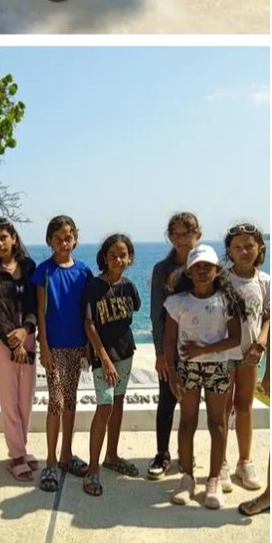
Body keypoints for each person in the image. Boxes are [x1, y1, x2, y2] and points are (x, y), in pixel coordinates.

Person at [163, 243, 243, 509]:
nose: (201, 270)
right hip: (187, 369)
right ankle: (186, 478)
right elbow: (170, 339)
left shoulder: (226, 301)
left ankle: (213, 479)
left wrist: (203, 350)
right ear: (188, 271)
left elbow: (235, 338)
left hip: (217, 368)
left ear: (217, 270)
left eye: (207, 266)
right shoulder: (178, 303)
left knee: (217, 423)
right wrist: (172, 373)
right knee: (187, 422)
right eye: (196, 266)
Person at [0, 216, 38, 481]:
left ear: (13, 237)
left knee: (26, 399)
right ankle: (16, 455)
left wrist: (26, 331)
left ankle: (20, 447)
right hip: (1, 344)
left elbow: (35, 304)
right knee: (9, 401)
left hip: (28, 339)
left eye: (3, 237)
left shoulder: (28, 266)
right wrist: (13, 340)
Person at [33, 213, 92, 491]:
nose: (63, 242)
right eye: (58, 238)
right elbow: (41, 313)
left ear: (75, 239)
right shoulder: (44, 271)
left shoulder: (83, 271)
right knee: (54, 402)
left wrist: (89, 347)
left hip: (76, 345)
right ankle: (52, 460)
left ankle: (67, 454)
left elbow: (88, 313)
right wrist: (43, 346)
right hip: (53, 347)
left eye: (68, 237)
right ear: (49, 241)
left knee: (71, 400)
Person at [83, 233, 142, 496]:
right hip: (103, 358)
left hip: (126, 353)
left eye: (123, 254)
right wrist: (104, 358)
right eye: (113, 254)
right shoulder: (93, 286)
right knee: (104, 407)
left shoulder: (129, 286)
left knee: (118, 404)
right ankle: (93, 468)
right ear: (104, 257)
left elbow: (131, 316)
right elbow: (89, 324)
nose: (118, 259)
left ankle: (112, 456)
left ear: (130, 258)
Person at [148, 211, 202, 479]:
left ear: (198, 234)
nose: (180, 239)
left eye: (186, 233)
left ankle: (187, 454)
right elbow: (156, 313)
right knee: (167, 400)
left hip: (201, 349)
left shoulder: (207, 266)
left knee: (192, 404)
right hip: (171, 348)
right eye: (175, 234)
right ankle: (162, 453)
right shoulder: (162, 269)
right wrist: (160, 352)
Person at [223, 222, 270, 492]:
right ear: (229, 251)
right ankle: (222, 463)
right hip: (224, 355)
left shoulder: (264, 282)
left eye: (249, 246)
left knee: (244, 407)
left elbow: (268, 316)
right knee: (222, 407)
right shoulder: (222, 279)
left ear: (259, 248)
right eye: (237, 247)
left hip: (250, 354)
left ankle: (244, 461)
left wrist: (260, 344)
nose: (244, 251)